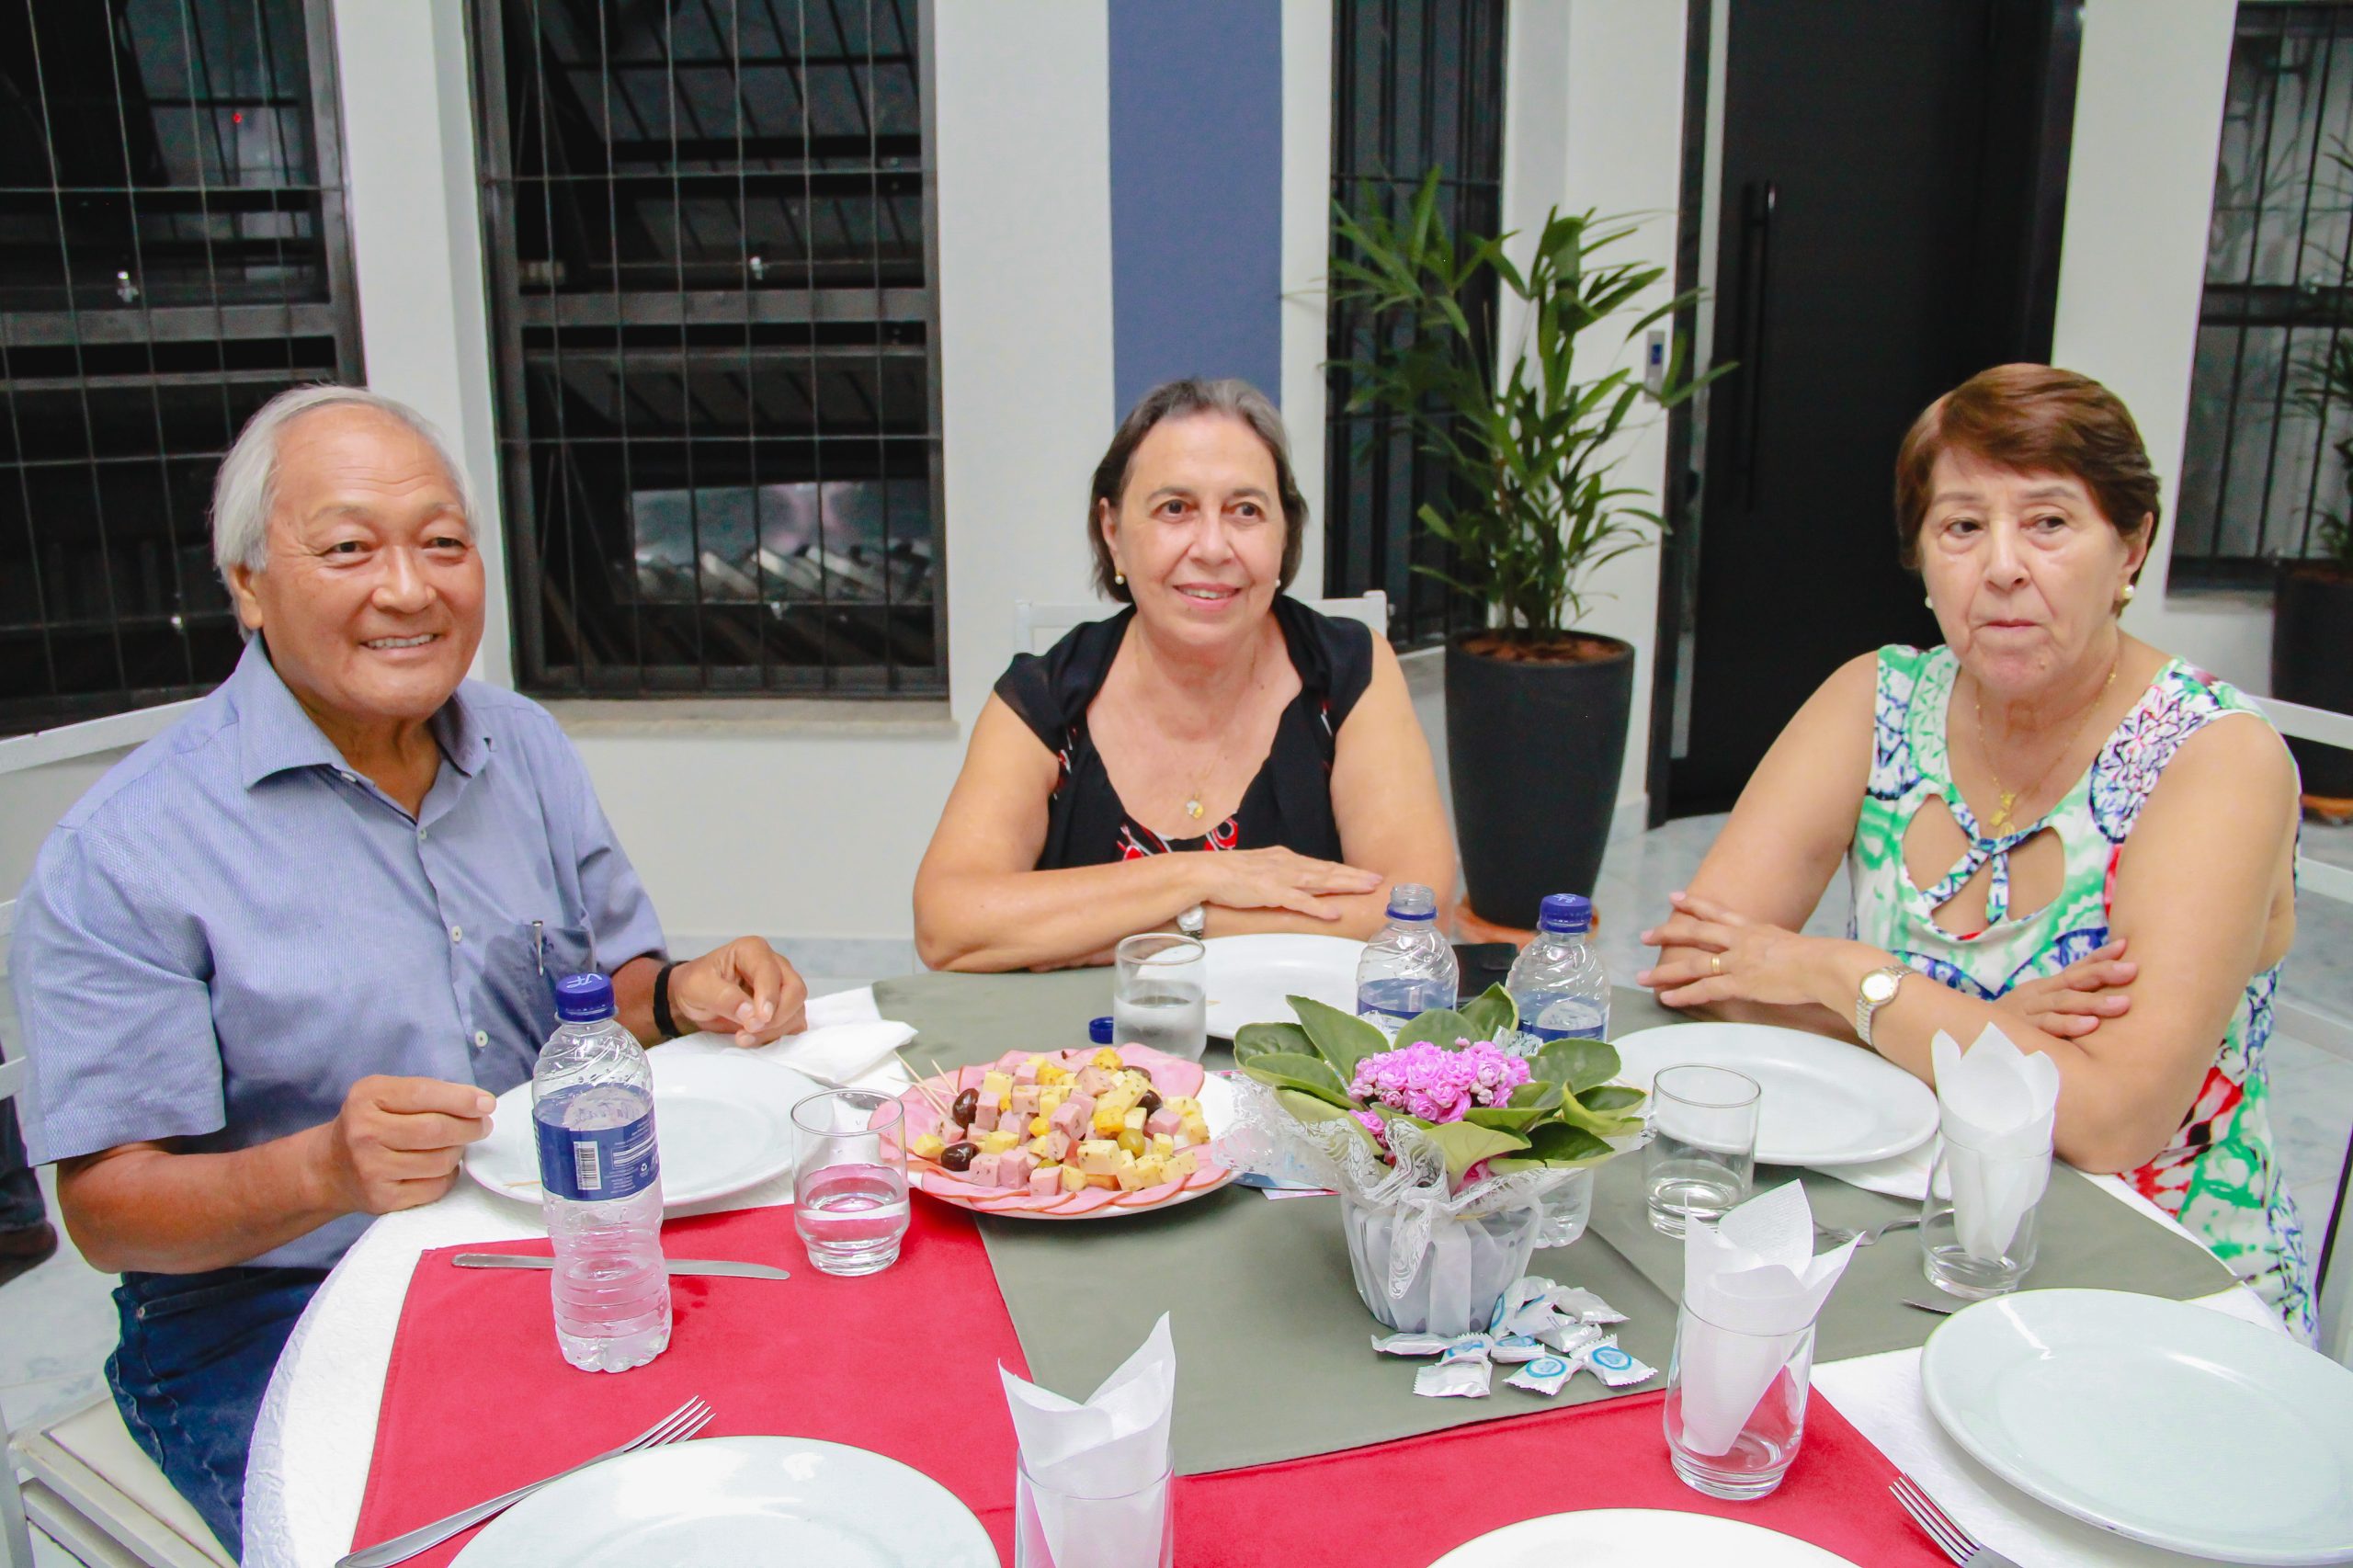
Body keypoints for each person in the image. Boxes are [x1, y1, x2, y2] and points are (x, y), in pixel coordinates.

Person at [9, 385, 811, 1554]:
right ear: (248, 584)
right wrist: (322, 1167)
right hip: (274, 1308)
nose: (408, 588)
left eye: (442, 542)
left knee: (762, 1461)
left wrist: (678, 992)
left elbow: (599, 995)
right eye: (348, 548)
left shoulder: (521, 745)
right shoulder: (126, 847)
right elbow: (108, 1211)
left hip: (543, 1244)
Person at [1635, 364, 2313, 1339]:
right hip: (1903, 1234)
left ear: (2131, 545)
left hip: (2157, 1284)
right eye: (1961, 526)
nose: (2001, 567)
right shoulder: (1877, 699)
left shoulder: (2210, 756)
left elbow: (2113, 1121)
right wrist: (1990, 1035)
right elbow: (1695, 970)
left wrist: (1849, 977)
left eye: (2048, 522)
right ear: (1920, 554)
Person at [915, 378, 1455, 971]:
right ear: (1113, 533)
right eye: (1175, 508)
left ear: (1284, 534)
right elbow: (949, 926)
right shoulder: (1043, 700)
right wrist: (1200, 875)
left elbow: (1415, 916)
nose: (1213, 548)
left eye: (1246, 511)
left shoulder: (1348, 671)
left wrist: (1166, 924)